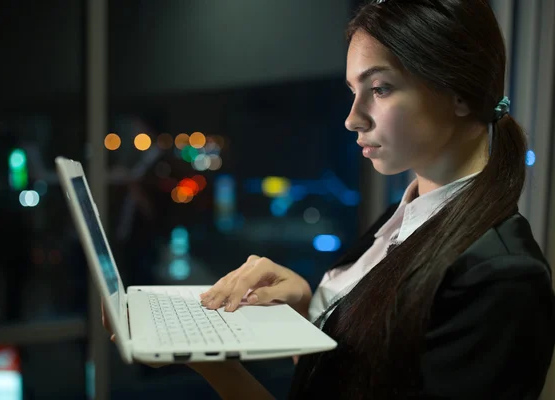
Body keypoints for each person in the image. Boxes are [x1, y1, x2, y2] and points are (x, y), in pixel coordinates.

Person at [103, 0, 555, 398]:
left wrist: (214, 364)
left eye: (379, 89)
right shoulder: (404, 222)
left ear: (459, 91)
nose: (353, 119)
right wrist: (305, 311)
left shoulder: (502, 278)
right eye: (352, 91)